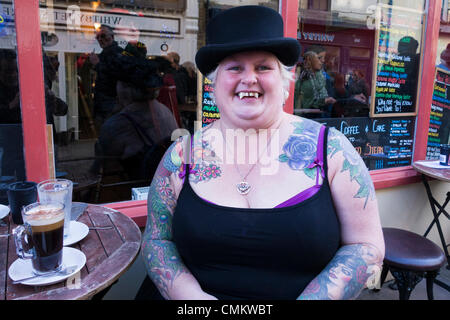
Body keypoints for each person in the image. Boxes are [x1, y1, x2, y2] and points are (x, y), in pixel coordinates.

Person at [140, 5, 384, 300]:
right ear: (214, 84)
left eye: (263, 67)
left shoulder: (332, 151)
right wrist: (191, 299)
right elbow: (156, 239)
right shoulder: (182, 156)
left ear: (283, 81)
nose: (249, 78)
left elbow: (366, 246)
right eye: (234, 68)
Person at [88, 24, 124, 129]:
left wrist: (97, 64)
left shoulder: (118, 53)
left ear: (112, 37)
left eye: (103, 36)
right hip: (105, 107)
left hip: (112, 107)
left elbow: (116, 76)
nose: (100, 39)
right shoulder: (105, 54)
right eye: (97, 37)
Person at [297, 51, 336, 118]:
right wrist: (325, 101)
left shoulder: (318, 76)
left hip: (319, 114)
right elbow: (308, 101)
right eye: (318, 59)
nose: (322, 61)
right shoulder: (305, 77)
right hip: (308, 116)